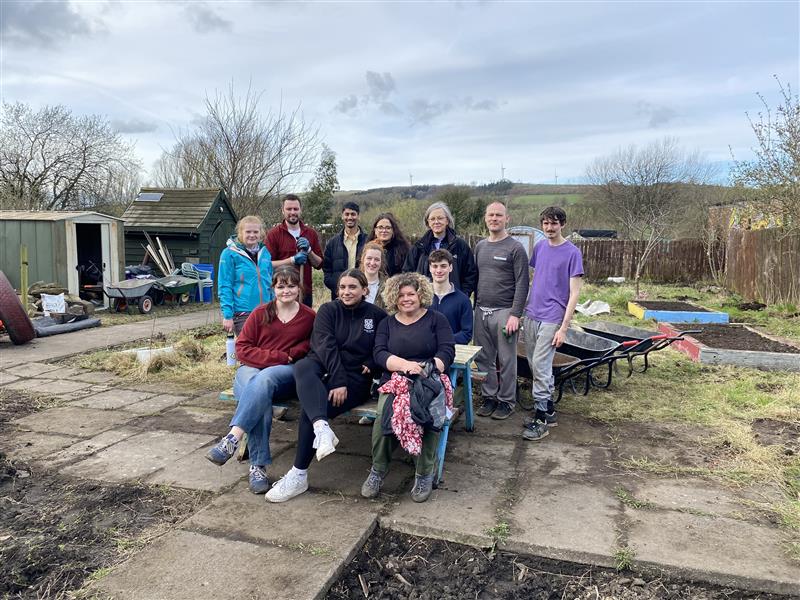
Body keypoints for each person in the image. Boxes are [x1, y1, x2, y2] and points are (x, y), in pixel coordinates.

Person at [266, 269, 387, 503]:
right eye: (342, 287)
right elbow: (325, 346)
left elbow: (384, 346)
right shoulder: (328, 310)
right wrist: (337, 379)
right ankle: (322, 430)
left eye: (352, 287)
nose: (346, 292)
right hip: (323, 366)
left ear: (365, 290)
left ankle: (298, 475)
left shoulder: (377, 316)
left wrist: (371, 363)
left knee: (311, 410)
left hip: (354, 379)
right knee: (302, 366)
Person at [206, 266, 315, 494]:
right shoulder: (260, 313)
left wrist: (287, 357)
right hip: (252, 369)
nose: (286, 291)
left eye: (291, 286)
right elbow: (242, 349)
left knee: (263, 380)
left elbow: (311, 346)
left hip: (285, 372)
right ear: (273, 288)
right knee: (259, 395)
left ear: (299, 288)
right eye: (281, 286)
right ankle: (257, 466)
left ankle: (232, 438)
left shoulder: (308, 317)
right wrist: (279, 356)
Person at [361, 272, 455, 503]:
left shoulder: (436, 319)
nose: (406, 299)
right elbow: (380, 353)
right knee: (385, 417)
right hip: (396, 379)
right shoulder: (387, 323)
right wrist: (405, 366)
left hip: (429, 378)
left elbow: (447, 350)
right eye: (401, 295)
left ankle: (424, 473)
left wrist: (428, 368)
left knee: (429, 417)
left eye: (411, 294)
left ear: (420, 294)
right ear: (394, 297)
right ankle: (378, 470)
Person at [522, 206, 584, 441]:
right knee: (534, 363)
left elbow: (575, 293)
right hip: (532, 313)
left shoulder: (572, 253)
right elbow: (537, 279)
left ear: (563, 225)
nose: (549, 227)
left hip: (553, 316)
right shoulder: (539, 247)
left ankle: (540, 420)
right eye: (546, 223)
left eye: (554, 223)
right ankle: (548, 411)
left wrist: (564, 327)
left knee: (540, 365)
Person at [473, 202, 530, 420]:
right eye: (491, 215)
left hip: (505, 312)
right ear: (485, 218)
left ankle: (506, 400)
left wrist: (515, 314)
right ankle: (489, 397)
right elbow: (476, 278)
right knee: (484, 358)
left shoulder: (515, 248)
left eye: (499, 215)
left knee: (507, 359)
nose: (494, 218)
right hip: (481, 310)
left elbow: (522, 284)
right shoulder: (480, 247)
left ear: (507, 219)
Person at [403, 202, 477, 298]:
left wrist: (462, 296)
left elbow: (470, 274)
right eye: (432, 219)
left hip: (452, 299)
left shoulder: (460, 245)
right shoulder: (419, 247)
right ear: (428, 223)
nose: (436, 222)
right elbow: (407, 273)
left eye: (440, 218)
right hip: (424, 300)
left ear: (447, 221)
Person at [218, 216, 274, 335]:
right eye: (248, 232)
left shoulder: (265, 253)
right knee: (248, 345)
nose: (252, 235)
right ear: (240, 233)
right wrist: (227, 315)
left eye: (255, 232)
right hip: (243, 313)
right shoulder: (229, 254)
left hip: (266, 310)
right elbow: (225, 285)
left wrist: (274, 306)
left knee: (267, 344)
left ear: (261, 233)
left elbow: (271, 283)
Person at [266, 194, 323, 307]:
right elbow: (267, 265)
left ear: (301, 210)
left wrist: (309, 251)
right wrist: (292, 260)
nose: (292, 212)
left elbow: (319, 264)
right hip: (283, 292)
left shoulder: (310, 233)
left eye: (296, 209)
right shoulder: (273, 234)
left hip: (304, 292)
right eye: (289, 209)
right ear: (282, 210)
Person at [323, 202, 367, 300]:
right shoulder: (332, 243)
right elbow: (327, 270)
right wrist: (338, 288)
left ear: (358, 216)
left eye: (353, 214)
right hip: (339, 296)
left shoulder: (368, 241)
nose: (350, 217)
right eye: (347, 214)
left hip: (363, 295)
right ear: (342, 216)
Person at [428, 249, 473, 344]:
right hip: (424, 349)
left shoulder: (463, 300)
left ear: (451, 267)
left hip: (451, 349)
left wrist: (444, 340)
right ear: (430, 268)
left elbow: (467, 333)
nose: (439, 270)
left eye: (443, 266)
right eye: (435, 266)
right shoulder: (421, 298)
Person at [367, 212, 411, 277]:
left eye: (388, 228)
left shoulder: (404, 251)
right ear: (375, 230)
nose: (384, 231)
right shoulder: (367, 249)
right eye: (380, 227)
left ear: (393, 230)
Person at [360, 240, 388, 308]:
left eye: (377, 259)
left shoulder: (388, 285)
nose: (372, 263)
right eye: (369, 258)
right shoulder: (353, 282)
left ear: (381, 262)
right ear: (363, 259)